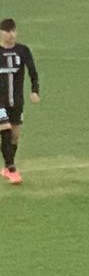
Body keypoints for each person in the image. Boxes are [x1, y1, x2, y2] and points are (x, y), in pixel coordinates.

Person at [0, 19, 40, 184]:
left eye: (13, 31)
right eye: (7, 31)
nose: (11, 35)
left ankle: (6, 167)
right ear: (1, 33)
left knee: (15, 136)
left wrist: (35, 91)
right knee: (5, 128)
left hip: (16, 101)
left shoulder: (23, 51)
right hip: (0, 102)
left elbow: (32, 72)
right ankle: (12, 169)